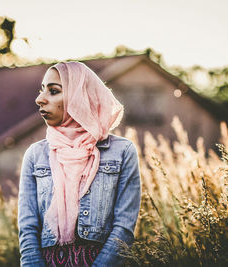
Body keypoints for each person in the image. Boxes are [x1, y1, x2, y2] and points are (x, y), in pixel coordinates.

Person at [17, 61, 141, 267]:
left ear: (80, 97)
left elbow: (124, 228)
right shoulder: (35, 155)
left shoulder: (122, 152)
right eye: (41, 90)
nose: (40, 99)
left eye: (54, 91)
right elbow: (28, 229)